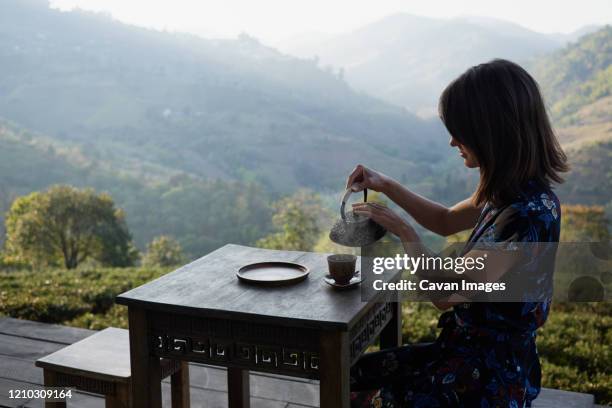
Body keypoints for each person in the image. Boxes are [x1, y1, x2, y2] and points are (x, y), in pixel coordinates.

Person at [346, 59, 568, 408]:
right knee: (356, 373)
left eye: (460, 131)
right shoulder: (512, 193)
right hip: (465, 351)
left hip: (490, 375)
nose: (453, 142)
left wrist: (404, 232)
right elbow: (445, 220)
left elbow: (444, 294)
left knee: (372, 384)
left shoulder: (525, 216)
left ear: (491, 132)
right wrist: (384, 184)